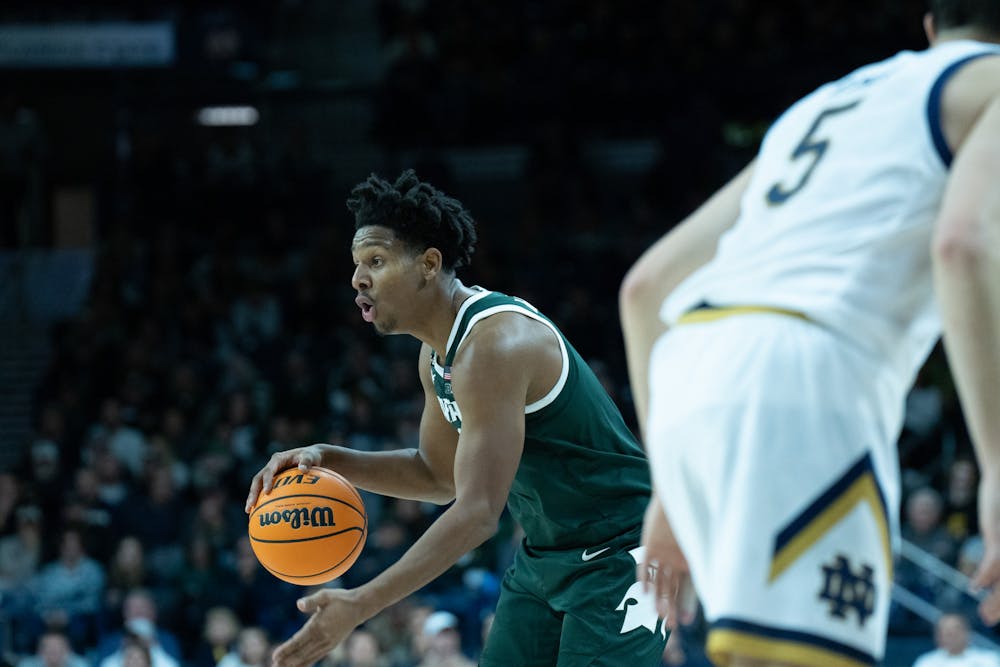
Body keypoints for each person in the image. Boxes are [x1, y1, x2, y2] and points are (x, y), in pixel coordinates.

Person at [619, 1, 1000, 666]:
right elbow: (963, 246)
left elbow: (647, 287)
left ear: (932, 26)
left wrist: (670, 493)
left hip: (688, 368)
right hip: (802, 375)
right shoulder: (990, 86)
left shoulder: (824, 105)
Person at [246, 169, 667, 666]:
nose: (358, 279)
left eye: (376, 261)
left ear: (428, 264)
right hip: (545, 559)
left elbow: (476, 514)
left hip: (621, 556)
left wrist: (361, 603)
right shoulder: (437, 356)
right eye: (357, 264)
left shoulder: (493, 346)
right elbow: (438, 475)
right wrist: (329, 459)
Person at [912, 613, 1000, 667]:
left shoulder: (988, 659)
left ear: (967, 633)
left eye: (954, 632)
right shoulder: (926, 662)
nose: (950, 638)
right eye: (946, 633)